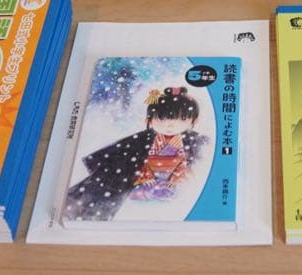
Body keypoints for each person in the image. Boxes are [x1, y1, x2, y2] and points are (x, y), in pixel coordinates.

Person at [63, 87, 207, 221]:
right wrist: (146, 176)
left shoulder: (194, 141)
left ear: (193, 120)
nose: (171, 125)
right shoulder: (142, 140)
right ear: (150, 119)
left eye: (182, 119)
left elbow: (190, 165)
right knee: (108, 191)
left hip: (172, 180)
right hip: (144, 179)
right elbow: (135, 161)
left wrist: (174, 179)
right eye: (162, 118)